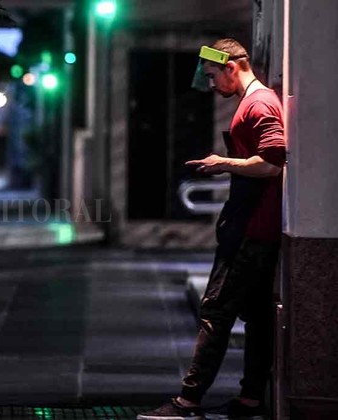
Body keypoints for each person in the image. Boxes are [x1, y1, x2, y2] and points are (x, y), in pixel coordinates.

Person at [137, 38, 286, 420]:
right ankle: (250, 400)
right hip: (253, 226)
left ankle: (188, 401)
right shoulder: (254, 101)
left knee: (215, 311)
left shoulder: (259, 104)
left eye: (212, 75)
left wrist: (223, 162)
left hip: (251, 229)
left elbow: (272, 163)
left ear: (231, 67)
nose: (211, 84)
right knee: (256, 316)